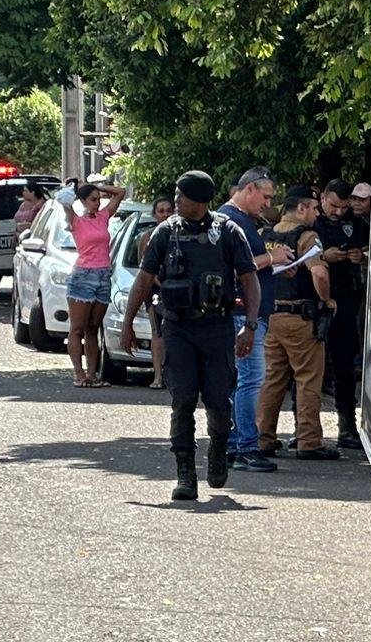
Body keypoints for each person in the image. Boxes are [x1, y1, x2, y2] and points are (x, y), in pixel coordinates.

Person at [121, 170, 259, 502]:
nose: (176, 201)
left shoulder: (228, 232)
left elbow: (249, 279)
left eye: (180, 196)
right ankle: (186, 472)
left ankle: (219, 447)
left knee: (218, 401)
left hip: (216, 328)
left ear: (198, 201)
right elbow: (144, 279)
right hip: (178, 328)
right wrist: (127, 322)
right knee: (182, 400)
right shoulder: (165, 233)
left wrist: (250, 325)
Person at [219, 167, 294, 473]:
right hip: (243, 315)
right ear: (249, 189)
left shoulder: (241, 221)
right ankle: (246, 447)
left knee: (244, 381)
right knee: (250, 380)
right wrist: (272, 259)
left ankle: (236, 443)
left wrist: (276, 267)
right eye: (265, 196)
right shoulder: (230, 221)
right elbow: (235, 267)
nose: (268, 204)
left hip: (248, 314)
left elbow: (250, 267)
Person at [256, 186, 337, 460]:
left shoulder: (264, 234)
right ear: (301, 208)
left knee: (272, 379)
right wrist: (327, 300)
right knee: (308, 380)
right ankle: (309, 441)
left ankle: (263, 438)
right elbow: (320, 274)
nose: (317, 213)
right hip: (300, 317)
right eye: (314, 208)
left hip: (271, 317)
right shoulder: (307, 237)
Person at [315, 178, 368, 449]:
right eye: (334, 205)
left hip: (346, 299)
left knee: (345, 366)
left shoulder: (356, 223)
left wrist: (361, 256)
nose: (338, 212)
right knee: (309, 368)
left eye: (344, 207)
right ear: (323, 198)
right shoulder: (312, 223)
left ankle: (347, 426)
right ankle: (306, 431)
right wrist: (325, 256)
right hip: (316, 300)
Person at [62, 181, 129, 387]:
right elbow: (64, 201)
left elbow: (120, 193)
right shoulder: (76, 220)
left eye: (98, 199)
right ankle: (79, 374)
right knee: (77, 328)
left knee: (93, 328)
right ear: (82, 201)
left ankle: (92, 374)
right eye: (92, 200)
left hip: (103, 274)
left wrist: (98, 187)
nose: (97, 203)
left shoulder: (103, 217)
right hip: (83, 275)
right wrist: (75, 191)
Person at [139, 196, 173, 389]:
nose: (165, 214)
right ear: (154, 214)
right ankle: (158, 376)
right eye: (161, 211)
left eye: (169, 210)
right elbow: (144, 269)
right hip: (156, 290)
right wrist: (159, 283)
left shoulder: (180, 233)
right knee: (157, 332)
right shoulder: (148, 236)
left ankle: (173, 376)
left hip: (177, 288)